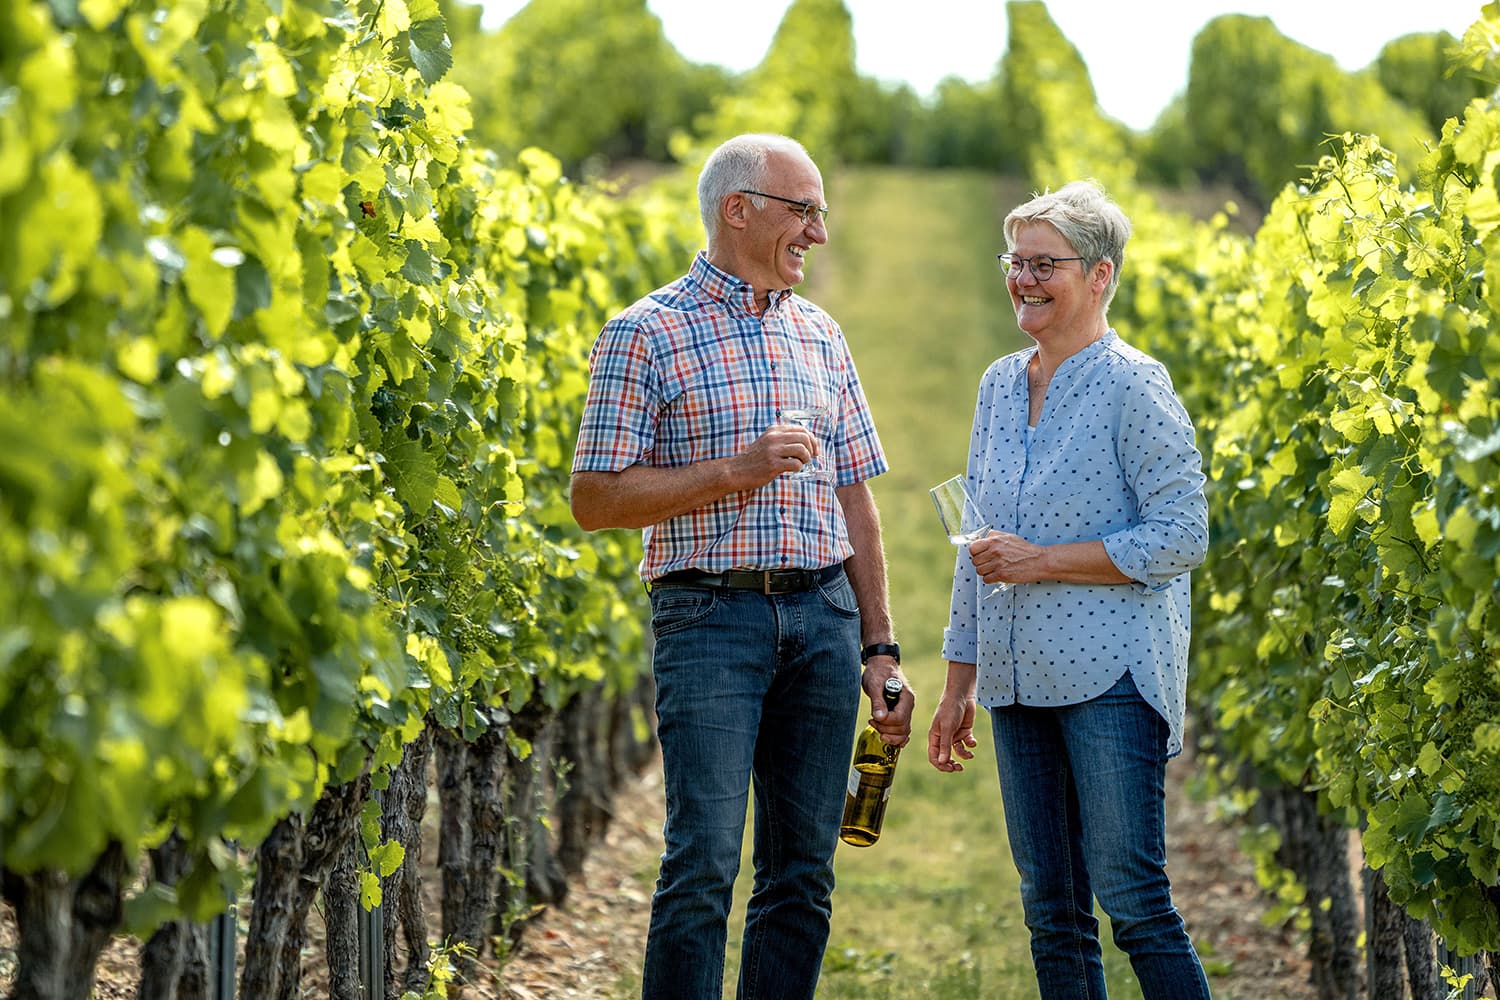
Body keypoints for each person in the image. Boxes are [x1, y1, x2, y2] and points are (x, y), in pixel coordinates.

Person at [570, 132, 912, 1000]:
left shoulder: (822, 335)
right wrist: (735, 471)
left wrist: (880, 646)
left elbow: (856, 501)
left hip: (824, 620)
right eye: (805, 212)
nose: (819, 234)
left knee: (802, 872)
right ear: (739, 209)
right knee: (705, 862)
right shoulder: (644, 333)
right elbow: (594, 499)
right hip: (710, 620)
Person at [927, 180, 1212, 998]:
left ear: (1099, 275)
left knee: (1134, 902)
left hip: (1109, 680)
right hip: (1017, 681)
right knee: (1050, 908)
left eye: (1044, 263)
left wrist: (1043, 560)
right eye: (1015, 262)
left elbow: (1182, 537)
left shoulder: (1135, 387)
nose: (1024, 279)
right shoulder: (996, 385)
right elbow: (975, 546)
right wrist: (958, 683)